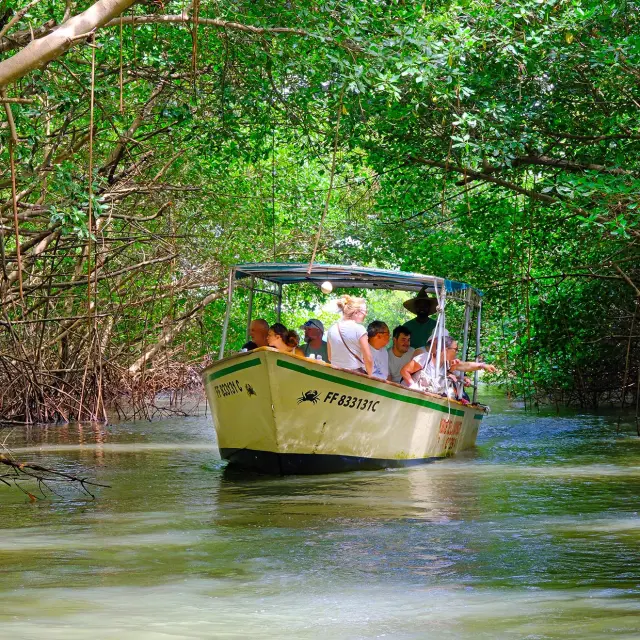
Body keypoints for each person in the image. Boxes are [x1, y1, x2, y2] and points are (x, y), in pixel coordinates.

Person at [400, 336, 497, 398]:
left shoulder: (448, 363)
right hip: (410, 396)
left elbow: (466, 365)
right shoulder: (425, 358)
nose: (457, 352)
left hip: (429, 398)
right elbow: (404, 371)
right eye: (455, 349)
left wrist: (483, 365)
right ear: (446, 349)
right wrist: (413, 387)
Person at [326, 295, 373, 375]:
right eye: (364, 311)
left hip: (334, 374)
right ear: (356, 312)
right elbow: (368, 359)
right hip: (354, 376)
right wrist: (370, 376)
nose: (365, 314)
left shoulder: (332, 329)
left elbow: (330, 357)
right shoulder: (359, 329)